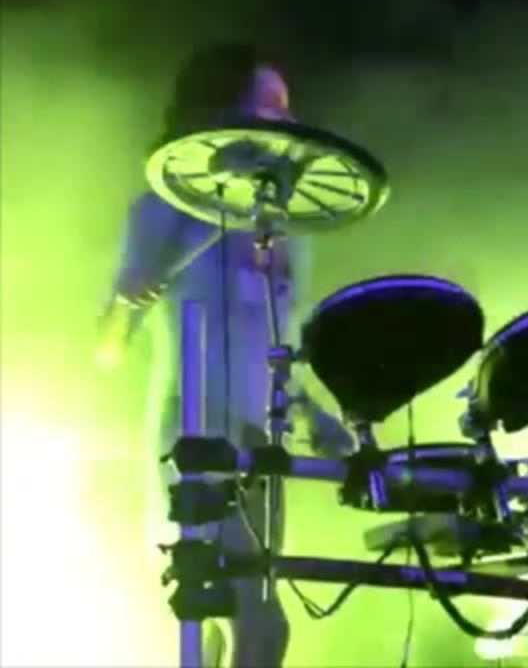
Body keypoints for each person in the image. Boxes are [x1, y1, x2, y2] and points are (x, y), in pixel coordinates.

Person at [96, 43, 355, 668]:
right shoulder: (166, 204)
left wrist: (313, 414)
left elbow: (277, 348)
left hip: (261, 448)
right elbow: (107, 347)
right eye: (270, 107)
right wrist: (128, 303)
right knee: (253, 625)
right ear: (221, 114)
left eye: (288, 108)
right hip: (195, 436)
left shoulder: (288, 229)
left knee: (217, 632)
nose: (287, 122)